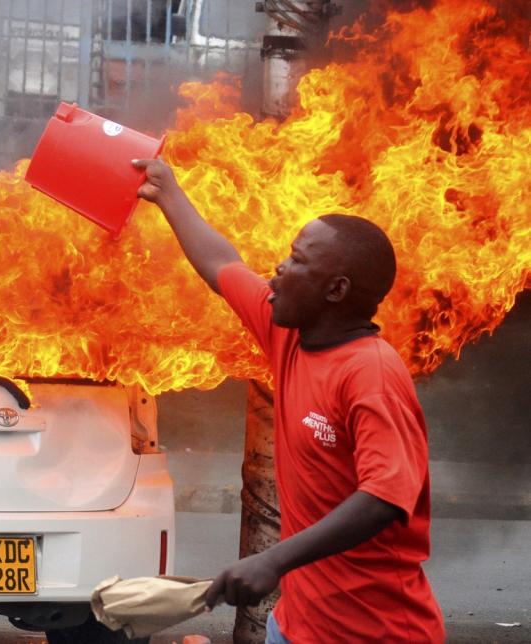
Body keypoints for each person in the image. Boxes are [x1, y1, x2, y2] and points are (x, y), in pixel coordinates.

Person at [133, 158, 445, 643]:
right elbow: (222, 265)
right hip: (296, 627)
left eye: (298, 260)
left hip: (376, 634)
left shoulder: (372, 373)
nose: (279, 268)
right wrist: (168, 192)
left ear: (336, 291)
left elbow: (384, 497)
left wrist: (274, 559)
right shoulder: (289, 336)